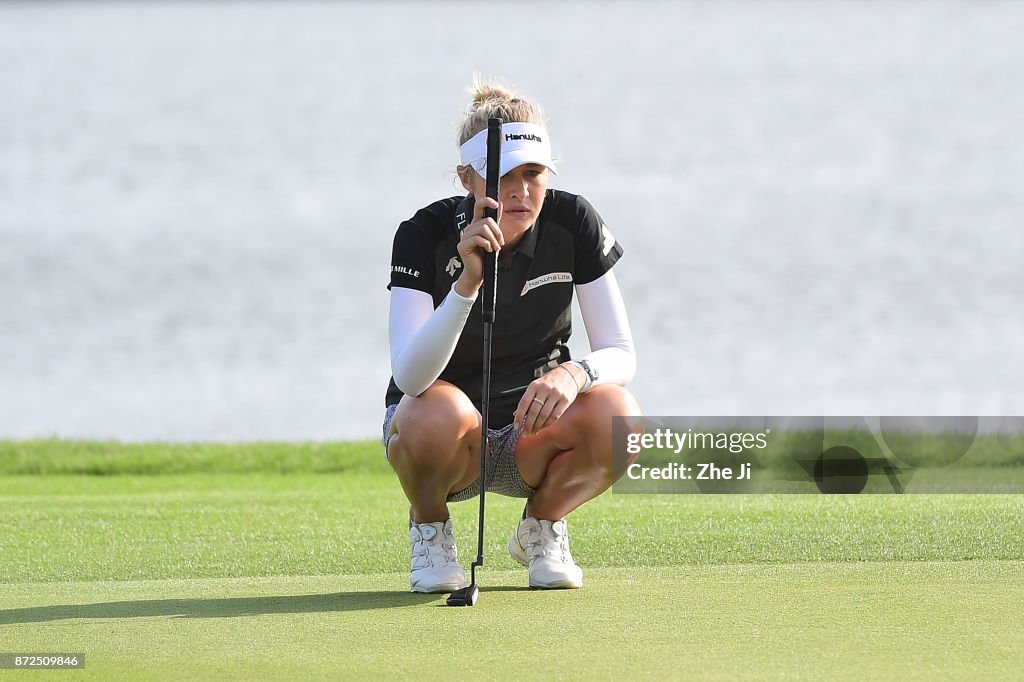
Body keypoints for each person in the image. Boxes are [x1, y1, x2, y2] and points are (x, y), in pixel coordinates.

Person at [384, 79, 641, 592]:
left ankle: (542, 527)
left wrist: (575, 373)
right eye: (503, 176)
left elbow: (621, 352)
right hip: (445, 437)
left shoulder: (574, 221)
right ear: (466, 177)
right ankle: (430, 528)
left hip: (536, 427)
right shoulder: (422, 234)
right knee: (435, 411)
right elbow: (410, 376)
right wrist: (467, 282)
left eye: (533, 174)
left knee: (621, 416)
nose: (521, 192)